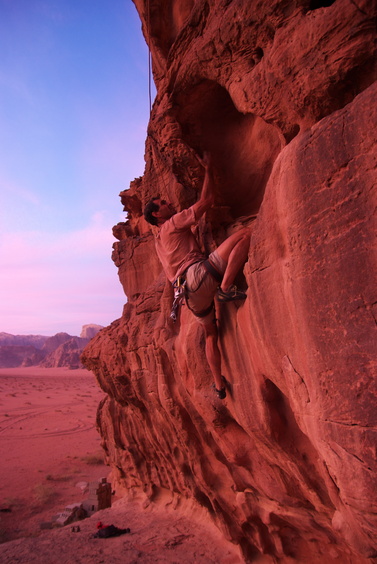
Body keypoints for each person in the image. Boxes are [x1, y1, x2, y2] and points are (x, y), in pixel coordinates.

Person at [143, 153, 251, 399]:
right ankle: (225, 287)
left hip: (188, 298)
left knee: (211, 334)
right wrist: (209, 169)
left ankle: (219, 386)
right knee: (245, 234)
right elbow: (207, 200)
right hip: (199, 276)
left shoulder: (159, 242)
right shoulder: (170, 224)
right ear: (157, 215)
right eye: (163, 203)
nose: (169, 202)